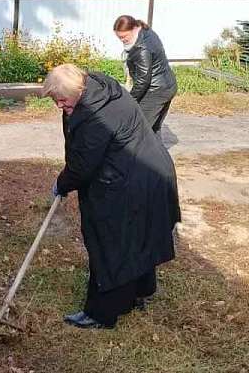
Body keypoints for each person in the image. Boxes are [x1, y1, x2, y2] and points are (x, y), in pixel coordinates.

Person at [43, 64, 181, 329]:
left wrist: (62, 183)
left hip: (131, 180)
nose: (59, 105)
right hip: (149, 171)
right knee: (137, 236)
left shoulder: (96, 115)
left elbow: (83, 166)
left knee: (108, 242)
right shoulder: (97, 87)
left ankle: (100, 313)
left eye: (62, 100)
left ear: (78, 90)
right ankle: (139, 292)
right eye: (54, 100)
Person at [114, 15, 177, 136]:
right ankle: (158, 155)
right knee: (152, 131)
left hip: (156, 91)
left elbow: (143, 80)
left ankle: (139, 155)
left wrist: (129, 101)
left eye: (124, 36)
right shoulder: (145, 30)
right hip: (167, 86)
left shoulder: (142, 48)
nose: (122, 40)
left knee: (139, 131)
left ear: (133, 29)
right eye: (119, 37)